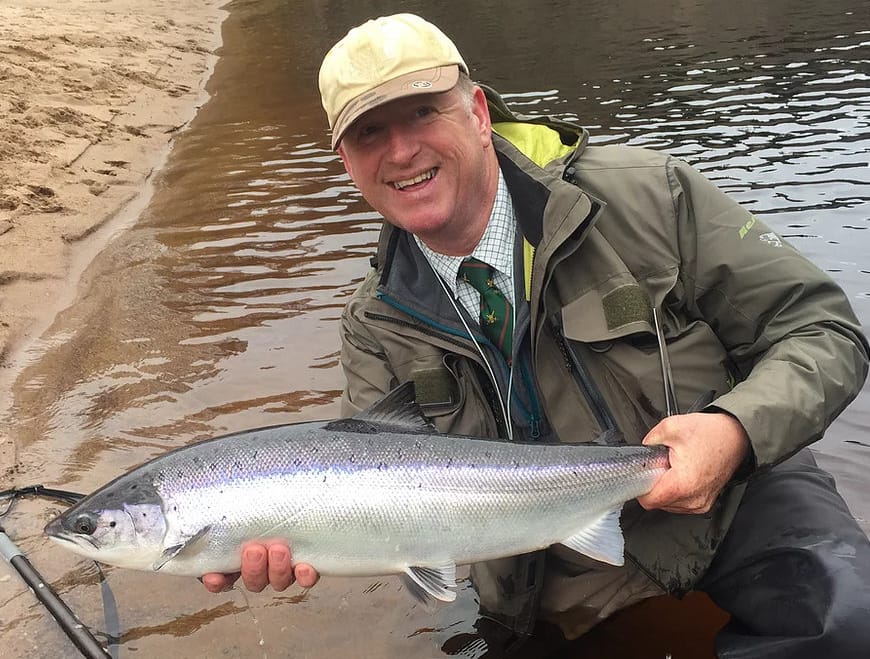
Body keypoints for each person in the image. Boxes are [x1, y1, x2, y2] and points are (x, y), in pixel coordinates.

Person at [203, 13, 870, 657]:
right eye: (370, 132)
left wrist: (736, 430)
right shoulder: (373, 325)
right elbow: (374, 491)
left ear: (478, 113)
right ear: (346, 162)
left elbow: (823, 328)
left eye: (423, 113)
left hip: (739, 505)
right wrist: (281, 527)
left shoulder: (648, 197)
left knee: (848, 625)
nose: (401, 151)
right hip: (546, 572)